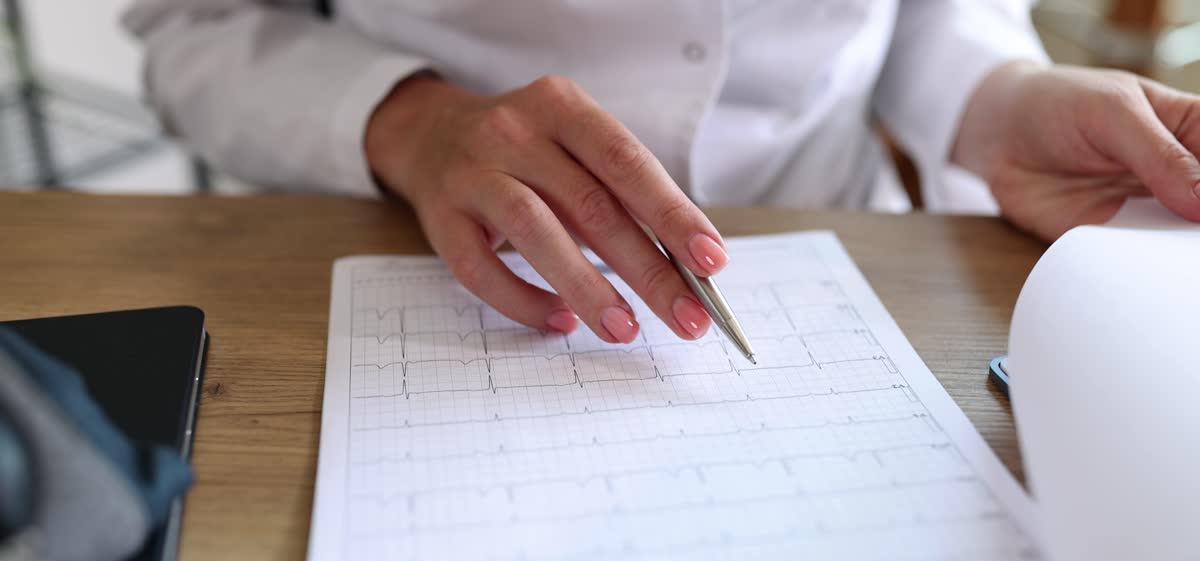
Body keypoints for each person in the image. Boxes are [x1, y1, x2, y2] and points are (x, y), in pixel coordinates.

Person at [125, 1, 1200, 345]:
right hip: (421, 261)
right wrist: (409, 125)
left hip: (850, 254)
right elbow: (189, 27)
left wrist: (996, 100)